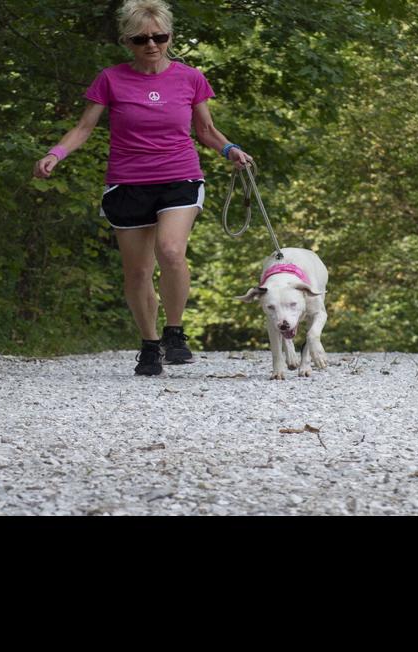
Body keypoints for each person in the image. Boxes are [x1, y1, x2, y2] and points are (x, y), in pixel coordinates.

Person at [33, 0, 254, 375]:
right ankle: (150, 345)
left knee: (170, 250)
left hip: (179, 177)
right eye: (140, 39)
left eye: (159, 37)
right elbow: (84, 128)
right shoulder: (110, 78)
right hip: (127, 182)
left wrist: (230, 149)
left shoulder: (190, 78)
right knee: (137, 271)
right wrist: (55, 154)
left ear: (169, 37)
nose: (151, 45)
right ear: (127, 41)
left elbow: (205, 131)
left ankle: (174, 333)